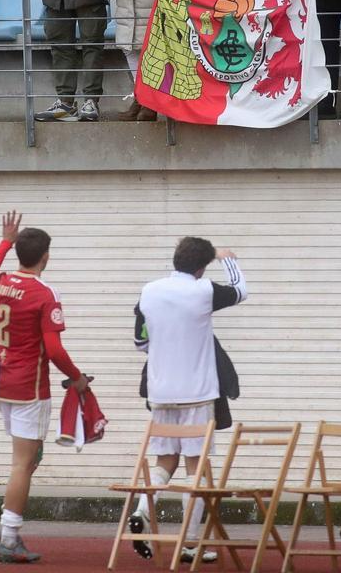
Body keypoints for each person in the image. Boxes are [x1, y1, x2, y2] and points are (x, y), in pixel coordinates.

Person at [0, 210, 90, 564]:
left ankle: (10, 522)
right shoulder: (44, 293)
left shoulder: (1, 283)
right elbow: (54, 349)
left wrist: (4, 242)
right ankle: (9, 537)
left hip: (3, 381)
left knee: (28, 458)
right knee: (23, 464)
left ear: (17, 254)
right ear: (46, 257)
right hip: (30, 386)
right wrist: (77, 377)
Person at [128, 237, 247, 565]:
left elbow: (140, 341)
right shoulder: (203, 290)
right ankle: (190, 542)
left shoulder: (149, 290)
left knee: (165, 460)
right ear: (200, 267)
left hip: (161, 393)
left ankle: (141, 510)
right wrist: (227, 259)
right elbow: (241, 290)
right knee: (197, 466)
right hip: (197, 394)